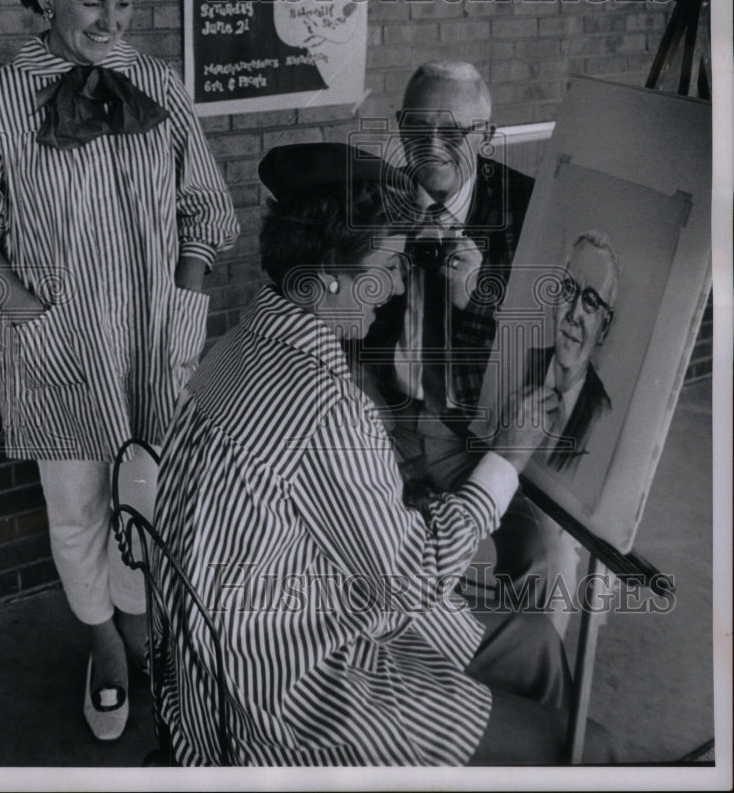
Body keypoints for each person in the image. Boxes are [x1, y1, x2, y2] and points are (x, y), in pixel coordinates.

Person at [151, 142, 618, 766]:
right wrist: (507, 457)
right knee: (593, 748)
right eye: (386, 266)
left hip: (231, 653)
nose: (397, 283)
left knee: (535, 640)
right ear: (320, 280)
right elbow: (413, 580)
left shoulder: (232, 347)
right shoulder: (323, 406)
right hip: (289, 696)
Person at [0, 0, 240, 741]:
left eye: (124, 9)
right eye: (92, 6)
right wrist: (33, 317)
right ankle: (105, 646)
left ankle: (145, 625)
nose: (112, 26)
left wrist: (188, 293)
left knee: (150, 500)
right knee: (77, 508)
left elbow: (207, 207)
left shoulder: (157, 85)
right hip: (62, 348)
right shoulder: (0, 98)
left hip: (159, 341)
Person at [361, 61, 580, 632]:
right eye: (416, 127)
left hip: (486, 429)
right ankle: (416, 689)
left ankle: (536, 692)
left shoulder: (531, 210)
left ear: (483, 135)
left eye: (453, 132)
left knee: (548, 559)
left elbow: (550, 338)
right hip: (389, 422)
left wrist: (472, 299)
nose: (431, 146)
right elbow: (344, 324)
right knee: (368, 556)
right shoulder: (370, 205)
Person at [522, 230, 618, 474]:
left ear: (604, 328)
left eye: (591, 301)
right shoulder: (521, 364)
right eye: (568, 289)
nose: (574, 314)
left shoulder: (601, 413)